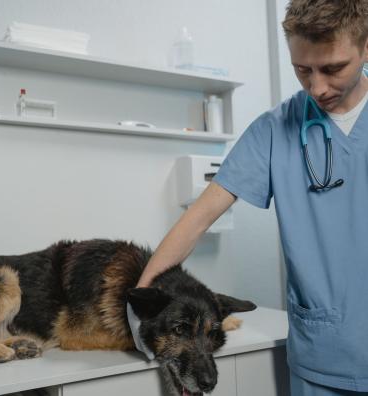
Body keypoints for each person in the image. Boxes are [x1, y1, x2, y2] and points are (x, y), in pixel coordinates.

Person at [129, 0, 368, 394]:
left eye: (332, 68)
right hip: (323, 358)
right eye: (302, 69)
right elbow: (198, 219)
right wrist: (140, 307)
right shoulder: (274, 131)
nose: (317, 87)